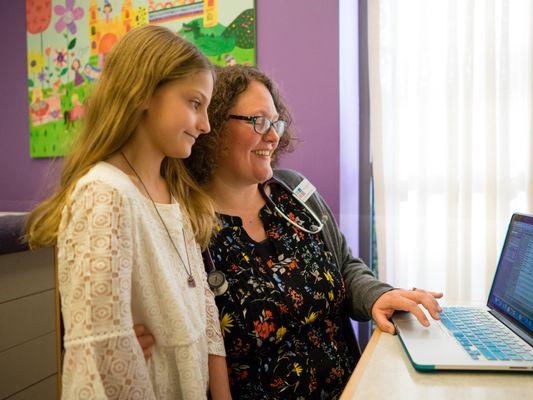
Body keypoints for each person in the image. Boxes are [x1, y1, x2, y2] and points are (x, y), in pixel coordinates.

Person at [138, 65, 444, 398]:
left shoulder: (295, 192)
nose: (273, 135)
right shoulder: (186, 228)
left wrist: (377, 295)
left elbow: (344, 267)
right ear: (213, 128)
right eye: (258, 121)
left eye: (276, 122)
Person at [26, 25, 230, 399]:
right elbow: (105, 343)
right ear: (144, 93)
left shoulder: (175, 194)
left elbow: (202, 304)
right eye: (194, 103)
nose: (205, 125)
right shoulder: (103, 193)